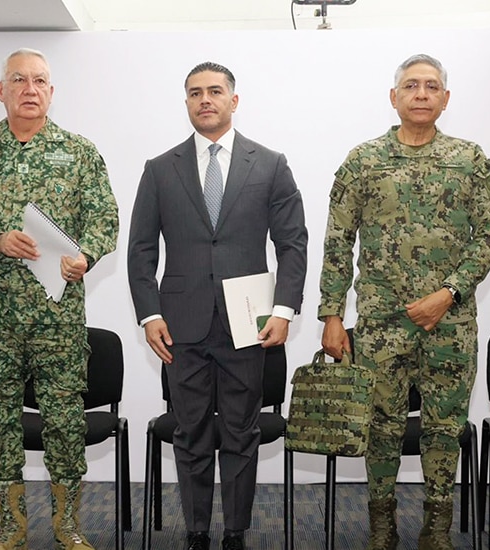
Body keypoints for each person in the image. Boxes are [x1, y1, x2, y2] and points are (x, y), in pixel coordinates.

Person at [0, 48, 118, 550]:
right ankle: (13, 526)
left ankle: (67, 524)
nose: (29, 89)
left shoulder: (79, 151)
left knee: (62, 418)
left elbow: (105, 222)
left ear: (51, 92)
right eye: (18, 79)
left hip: (58, 313)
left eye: (39, 81)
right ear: (1, 91)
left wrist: (87, 256)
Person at [319, 54, 490, 550]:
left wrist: (449, 294)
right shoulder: (363, 160)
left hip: (451, 323)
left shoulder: (470, 160)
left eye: (431, 86)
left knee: (444, 430)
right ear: (394, 97)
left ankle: (436, 529)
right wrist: (332, 315)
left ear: (445, 98)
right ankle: (382, 526)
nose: (421, 93)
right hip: (381, 324)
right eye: (411, 85)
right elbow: (339, 239)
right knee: (380, 428)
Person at [127, 61, 308, 550]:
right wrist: (149, 314)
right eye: (193, 93)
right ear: (186, 103)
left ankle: (236, 532)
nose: (204, 100)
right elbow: (141, 249)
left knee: (241, 433)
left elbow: (292, 244)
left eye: (214, 91)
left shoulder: (269, 164)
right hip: (180, 324)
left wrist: (285, 310)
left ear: (233, 99)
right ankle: (198, 531)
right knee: (190, 433)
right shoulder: (160, 169)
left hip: (248, 323)